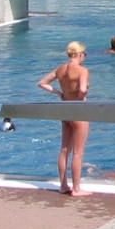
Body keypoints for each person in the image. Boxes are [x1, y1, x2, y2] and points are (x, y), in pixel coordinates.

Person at [37, 41, 91, 196]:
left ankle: (63, 185)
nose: (84, 57)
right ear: (80, 54)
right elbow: (81, 90)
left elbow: (42, 83)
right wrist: (83, 95)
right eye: (84, 54)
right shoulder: (82, 71)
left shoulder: (60, 69)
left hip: (64, 109)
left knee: (64, 149)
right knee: (78, 152)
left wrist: (59, 93)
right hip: (79, 110)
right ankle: (76, 188)